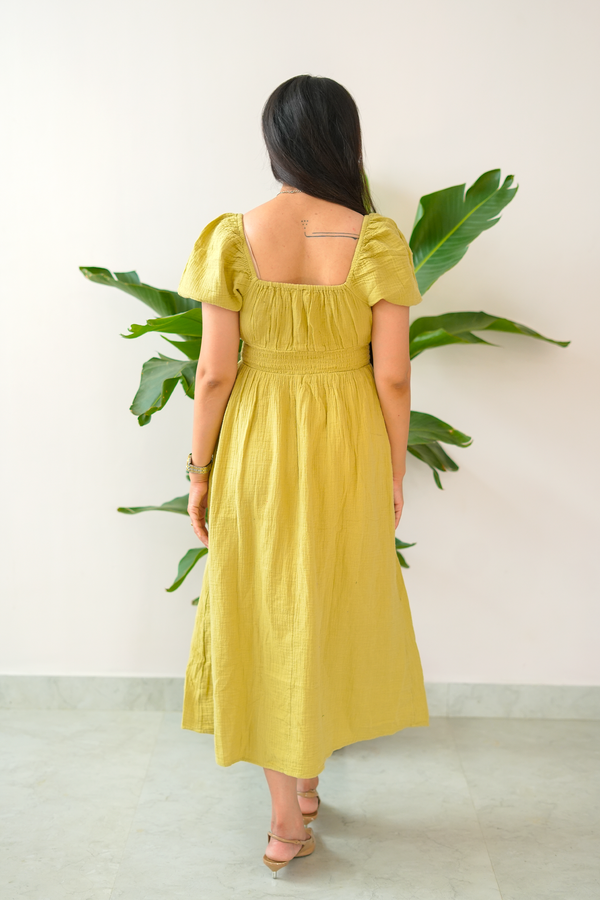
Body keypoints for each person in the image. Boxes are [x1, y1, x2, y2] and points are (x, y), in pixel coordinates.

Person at [178, 74, 429, 877]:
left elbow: (214, 373)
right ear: (343, 141)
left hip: (258, 437)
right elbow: (393, 378)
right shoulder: (376, 239)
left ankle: (286, 822)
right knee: (325, 596)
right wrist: (393, 470)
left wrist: (199, 471)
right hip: (347, 440)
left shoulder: (232, 235)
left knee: (264, 604)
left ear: (276, 141)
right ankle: (308, 782)